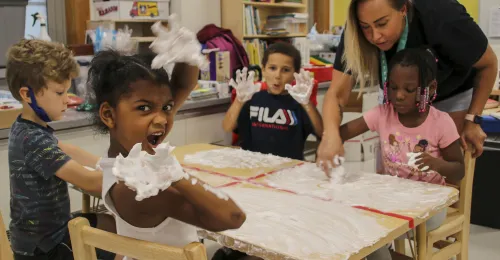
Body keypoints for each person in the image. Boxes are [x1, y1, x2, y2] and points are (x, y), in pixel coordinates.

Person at [89, 17, 246, 260]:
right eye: (144, 108)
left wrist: (189, 56)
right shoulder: (138, 187)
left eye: (167, 107)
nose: (162, 119)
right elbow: (233, 217)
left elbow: (182, 85)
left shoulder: (122, 158)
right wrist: (179, 176)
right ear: (109, 115)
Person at [318, 0, 498, 170]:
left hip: (451, 95)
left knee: (442, 176)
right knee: (394, 166)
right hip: (397, 98)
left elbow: (488, 64)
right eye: (366, 27)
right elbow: (337, 94)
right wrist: (331, 136)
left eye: (382, 24)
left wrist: (473, 119)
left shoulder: (441, 13)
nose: (375, 36)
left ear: (403, 9)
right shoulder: (358, 26)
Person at [337, 48, 465, 259]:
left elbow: (458, 171)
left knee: (375, 230)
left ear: (430, 88)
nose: (399, 95)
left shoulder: (441, 122)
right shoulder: (383, 114)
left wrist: (436, 164)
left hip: (430, 208)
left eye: (409, 89)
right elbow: (342, 132)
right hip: (392, 200)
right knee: (360, 226)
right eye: (393, 88)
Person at [6, 39, 116, 260]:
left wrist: (109, 165)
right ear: (27, 95)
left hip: (46, 232)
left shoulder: (27, 127)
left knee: (111, 224)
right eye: (59, 93)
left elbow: (67, 148)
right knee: (122, 248)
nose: (67, 100)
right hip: (44, 249)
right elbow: (90, 182)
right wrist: (133, 175)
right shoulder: (34, 139)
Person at [222, 42, 323, 160]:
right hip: (253, 166)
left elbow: (322, 133)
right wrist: (239, 101)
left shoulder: (299, 102)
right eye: (272, 68)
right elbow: (227, 127)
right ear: (263, 70)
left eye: (285, 70)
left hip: (288, 170)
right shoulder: (252, 98)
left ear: (295, 74)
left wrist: (307, 103)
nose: (278, 76)